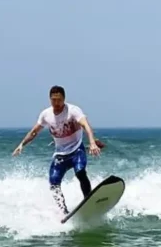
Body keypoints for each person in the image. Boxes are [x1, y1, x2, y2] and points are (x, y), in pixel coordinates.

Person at [12, 85, 102, 213]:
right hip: (60, 155)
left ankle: (88, 199)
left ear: (64, 99)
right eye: (53, 100)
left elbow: (86, 125)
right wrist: (22, 144)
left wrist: (92, 142)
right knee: (54, 183)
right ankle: (63, 212)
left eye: (59, 100)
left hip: (76, 150)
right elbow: (34, 132)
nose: (56, 103)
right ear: (50, 99)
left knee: (80, 172)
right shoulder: (46, 114)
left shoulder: (73, 110)